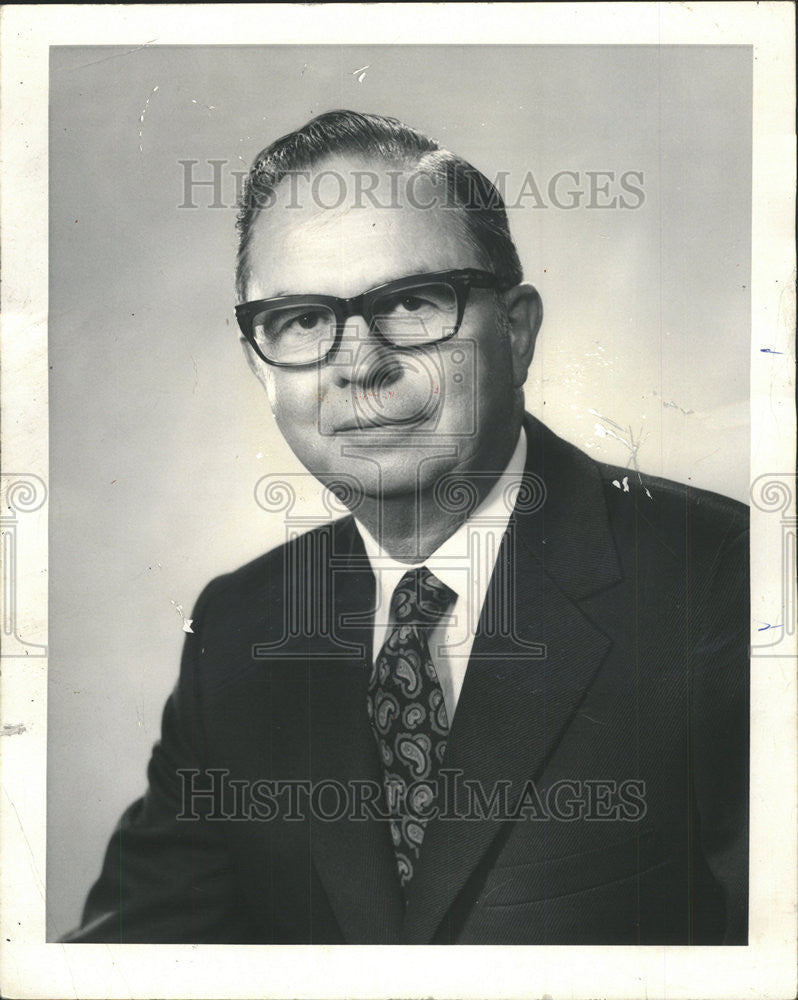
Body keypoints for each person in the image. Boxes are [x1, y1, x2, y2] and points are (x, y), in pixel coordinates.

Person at [64, 110, 749, 945]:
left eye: (413, 301)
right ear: (259, 363)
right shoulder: (240, 629)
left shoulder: (725, 582)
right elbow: (122, 964)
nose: (359, 361)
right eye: (304, 321)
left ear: (518, 330)